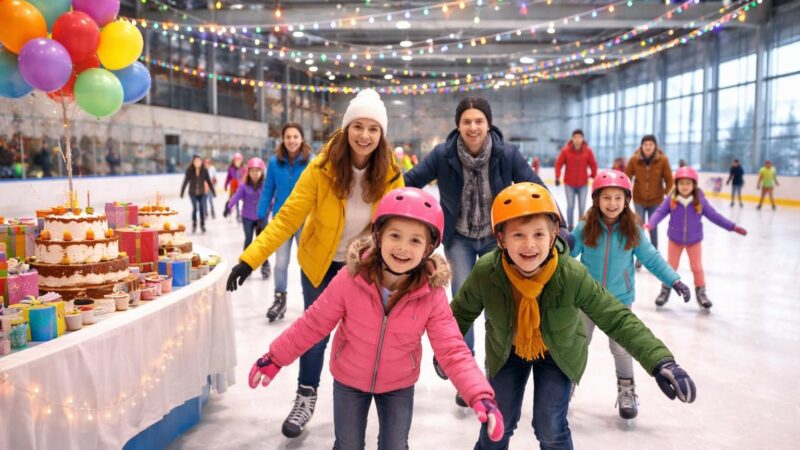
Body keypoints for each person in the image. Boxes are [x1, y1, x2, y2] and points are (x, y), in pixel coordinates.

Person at [247, 188, 504, 448]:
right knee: (347, 444)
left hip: (398, 384)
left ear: (428, 248)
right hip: (349, 379)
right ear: (378, 237)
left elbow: (452, 349)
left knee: (395, 445)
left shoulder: (430, 294)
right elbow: (313, 323)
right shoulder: (350, 279)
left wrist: (479, 394)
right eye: (395, 235)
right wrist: (276, 356)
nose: (403, 247)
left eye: (415, 241)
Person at [448, 182, 697, 449]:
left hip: (559, 353)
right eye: (518, 235)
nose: (529, 245)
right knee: (496, 425)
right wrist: (448, 354)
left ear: (554, 233)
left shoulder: (570, 274)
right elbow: (459, 314)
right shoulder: (488, 272)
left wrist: (661, 361)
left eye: (539, 234)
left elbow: (616, 317)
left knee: (550, 427)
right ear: (501, 239)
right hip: (506, 351)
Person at [226, 89, 404, 438]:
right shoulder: (321, 167)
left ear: (381, 134)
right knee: (314, 333)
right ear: (346, 127)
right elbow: (287, 217)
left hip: (363, 267)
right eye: (358, 126)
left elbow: (399, 224)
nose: (364, 135)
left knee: (366, 335)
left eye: (372, 128)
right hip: (319, 265)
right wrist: (250, 260)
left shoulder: (390, 174)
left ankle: (364, 401)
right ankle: (305, 396)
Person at [404, 98, 551, 405]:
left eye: (478, 121)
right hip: (458, 238)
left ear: (488, 124)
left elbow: (537, 188)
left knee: (498, 303)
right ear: (458, 125)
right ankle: (464, 370)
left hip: (495, 239)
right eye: (467, 121)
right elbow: (409, 181)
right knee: (464, 303)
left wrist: (554, 226)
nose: (473, 127)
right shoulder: (443, 155)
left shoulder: (505, 153)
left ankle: (492, 366)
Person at [570, 170, 691, 420]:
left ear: (626, 200)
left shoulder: (632, 229)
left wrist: (674, 280)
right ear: (596, 200)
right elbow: (565, 255)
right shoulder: (585, 227)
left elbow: (652, 258)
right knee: (577, 344)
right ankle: (564, 387)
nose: (612, 203)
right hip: (587, 299)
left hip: (619, 301)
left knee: (622, 348)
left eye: (617, 198)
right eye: (606, 198)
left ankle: (626, 389)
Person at [645, 167, 747, 309]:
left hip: (694, 240)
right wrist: (650, 224)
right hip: (675, 239)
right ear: (676, 185)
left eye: (688, 183)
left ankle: (701, 293)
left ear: (694, 185)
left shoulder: (700, 201)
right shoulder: (671, 200)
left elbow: (715, 216)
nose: (685, 186)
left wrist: (732, 227)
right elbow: (659, 212)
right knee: (670, 267)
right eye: (681, 183)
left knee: (697, 267)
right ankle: (665, 290)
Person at [257, 123, 312, 322]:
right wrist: (260, 213)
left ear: (302, 138)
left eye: (295, 136)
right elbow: (267, 189)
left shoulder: (311, 162)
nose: (292, 140)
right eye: (288, 137)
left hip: (305, 220)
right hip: (282, 220)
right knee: (280, 263)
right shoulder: (274, 162)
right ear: (283, 139)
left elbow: (319, 190)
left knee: (307, 263)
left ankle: (311, 301)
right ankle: (280, 299)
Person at [625, 135, 673, 269]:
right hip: (639, 198)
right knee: (639, 228)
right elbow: (627, 177)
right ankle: (640, 258)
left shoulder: (663, 160)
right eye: (645, 144)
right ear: (642, 146)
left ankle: (653, 258)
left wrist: (665, 193)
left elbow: (669, 180)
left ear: (655, 147)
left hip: (656, 200)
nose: (648, 147)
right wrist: (624, 192)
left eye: (650, 145)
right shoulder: (634, 160)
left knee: (653, 228)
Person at [225, 157, 271, 280]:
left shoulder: (266, 186)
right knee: (248, 241)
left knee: (263, 244)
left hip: (262, 217)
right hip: (248, 217)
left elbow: (271, 199)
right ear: (248, 172)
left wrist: (269, 211)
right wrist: (228, 206)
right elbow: (236, 197)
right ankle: (246, 265)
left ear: (262, 172)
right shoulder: (244, 186)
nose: (255, 173)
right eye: (252, 171)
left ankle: (265, 265)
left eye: (258, 170)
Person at [554, 129, 598, 231]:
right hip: (569, 184)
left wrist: (593, 175)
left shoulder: (588, 151)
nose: (577, 139)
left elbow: (593, 164)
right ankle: (570, 226)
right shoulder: (565, 151)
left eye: (580, 137)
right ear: (572, 139)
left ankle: (580, 227)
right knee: (570, 206)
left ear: (583, 139)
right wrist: (557, 176)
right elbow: (558, 164)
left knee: (582, 207)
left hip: (583, 184)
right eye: (575, 137)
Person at [180, 154, 215, 233]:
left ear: (201, 162)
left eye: (199, 161)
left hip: (202, 193)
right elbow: (185, 181)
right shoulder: (189, 170)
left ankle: (202, 225)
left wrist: (213, 192)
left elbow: (209, 181)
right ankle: (194, 224)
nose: (197, 162)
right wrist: (182, 192)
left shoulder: (204, 170)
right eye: (196, 161)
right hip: (192, 193)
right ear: (193, 162)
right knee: (195, 208)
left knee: (202, 208)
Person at [224, 152, 246, 221]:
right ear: (233, 161)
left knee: (244, 201)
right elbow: (228, 177)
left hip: (242, 188)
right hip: (233, 187)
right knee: (233, 200)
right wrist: (225, 184)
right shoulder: (231, 168)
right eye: (236, 160)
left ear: (241, 161)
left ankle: (242, 213)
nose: (237, 162)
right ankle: (232, 211)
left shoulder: (244, 169)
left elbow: (246, 178)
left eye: (239, 160)